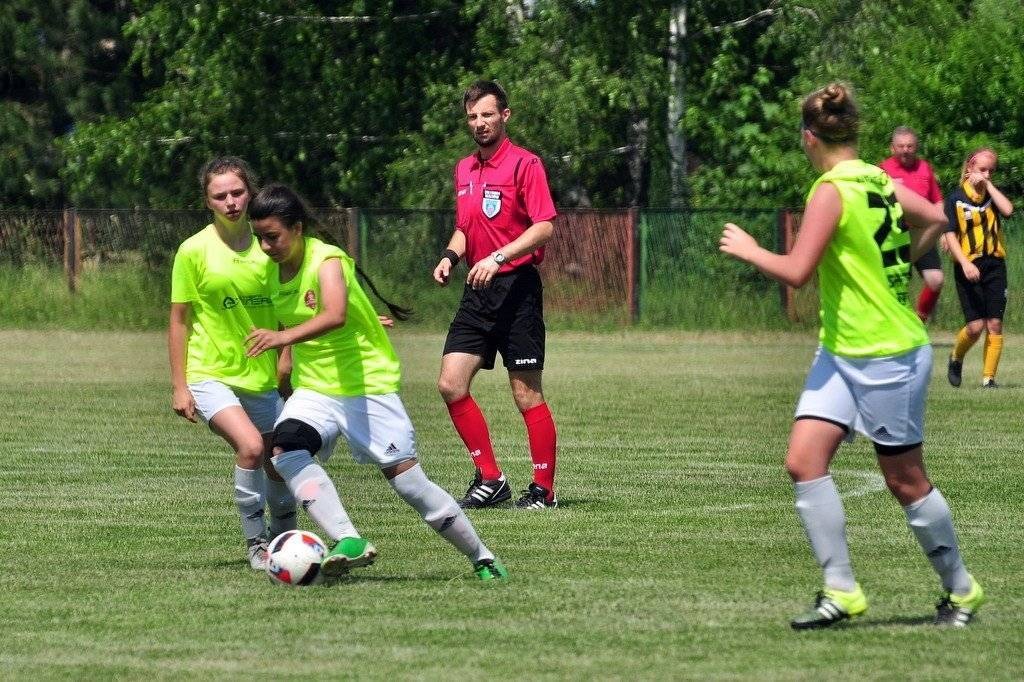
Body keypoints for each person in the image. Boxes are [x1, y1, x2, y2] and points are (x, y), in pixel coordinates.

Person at [719, 83, 985, 628]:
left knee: (904, 480)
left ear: (808, 137)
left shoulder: (831, 190)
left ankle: (962, 589)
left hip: (886, 353)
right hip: (842, 350)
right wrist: (895, 263)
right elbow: (937, 214)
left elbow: (797, 272)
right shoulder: (878, 178)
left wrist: (749, 249)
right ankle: (842, 591)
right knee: (804, 461)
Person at [245, 183, 508, 580]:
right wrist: (285, 373)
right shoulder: (271, 273)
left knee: (410, 486)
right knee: (285, 451)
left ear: (297, 228)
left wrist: (283, 338)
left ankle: (482, 557)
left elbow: (334, 314)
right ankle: (347, 539)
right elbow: (298, 319)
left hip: (366, 386)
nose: (265, 247)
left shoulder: (327, 259)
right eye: (259, 238)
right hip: (316, 387)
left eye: (272, 237)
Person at [432, 79, 559, 510]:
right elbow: (466, 227)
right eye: (472, 116)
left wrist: (500, 258)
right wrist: (451, 255)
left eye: (487, 114)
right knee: (450, 384)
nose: (480, 123)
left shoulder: (526, 164)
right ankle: (491, 477)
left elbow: (544, 226)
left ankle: (543, 490)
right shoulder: (464, 169)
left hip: (517, 289)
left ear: (504, 116)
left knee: (526, 394)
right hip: (477, 289)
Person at [168, 156, 297, 571]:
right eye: (219, 195)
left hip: (259, 375)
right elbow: (178, 322)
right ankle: (257, 543)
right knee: (251, 447)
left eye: (237, 192)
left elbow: (289, 310)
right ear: (208, 202)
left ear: (251, 193)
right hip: (210, 372)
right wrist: (180, 385)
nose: (230, 202)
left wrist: (286, 360)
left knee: (280, 457)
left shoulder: (271, 246)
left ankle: (285, 535)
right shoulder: (193, 251)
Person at [943, 147, 1014, 388]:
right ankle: (956, 357)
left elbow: (1008, 210)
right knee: (975, 327)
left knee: (994, 323)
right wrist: (964, 262)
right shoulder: (955, 198)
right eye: (982, 169)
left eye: (991, 171)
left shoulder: (992, 195)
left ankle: (989, 379)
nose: (987, 175)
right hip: (968, 265)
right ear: (970, 167)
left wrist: (989, 186)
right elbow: (949, 234)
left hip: (994, 263)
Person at [879, 126, 945, 321]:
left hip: (923, 233)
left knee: (936, 280)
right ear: (892, 148)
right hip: (895, 237)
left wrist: (941, 230)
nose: (906, 150)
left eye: (910, 146)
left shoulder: (924, 167)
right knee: (894, 286)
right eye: (901, 146)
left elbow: (938, 200)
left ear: (916, 147)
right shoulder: (883, 170)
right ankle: (891, 325)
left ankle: (919, 322)